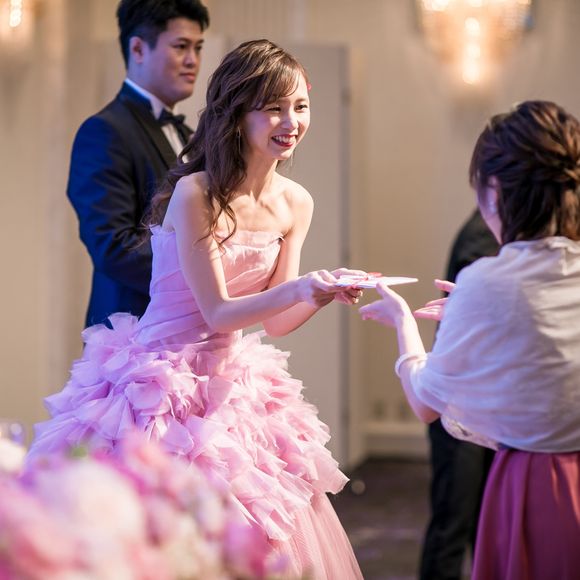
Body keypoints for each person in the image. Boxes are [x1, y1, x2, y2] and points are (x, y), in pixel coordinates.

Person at [29, 39, 364, 579]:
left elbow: (276, 322)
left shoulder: (296, 201)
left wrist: (318, 296)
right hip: (159, 381)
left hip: (229, 379)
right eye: (273, 108)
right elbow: (218, 312)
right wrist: (301, 289)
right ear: (237, 114)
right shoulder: (195, 194)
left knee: (261, 520)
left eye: (300, 106)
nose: (291, 122)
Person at [360, 100, 580, 579]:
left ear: (495, 191)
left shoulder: (487, 280)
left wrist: (403, 321)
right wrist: (481, 312)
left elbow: (425, 402)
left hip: (537, 480)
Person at [68, 0, 210, 327]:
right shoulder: (104, 131)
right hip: (133, 331)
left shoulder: (189, 134)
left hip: (191, 328)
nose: (193, 60)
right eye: (181, 46)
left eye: (198, 47)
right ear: (138, 49)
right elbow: (113, 247)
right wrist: (205, 272)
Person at [419, 209, 498, 580]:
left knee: (486, 523)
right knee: (454, 517)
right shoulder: (483, 235)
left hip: (486, 401)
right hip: (460, 399)